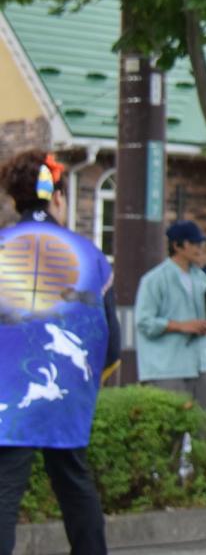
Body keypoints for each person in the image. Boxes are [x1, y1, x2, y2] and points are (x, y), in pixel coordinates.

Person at [0, 150, 118, 555]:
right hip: (64, 390)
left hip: (7, 393)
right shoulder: (90, 255)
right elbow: (112, 338)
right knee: (74, 484)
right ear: (57, 197)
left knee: (3, 492)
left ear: (15, 198)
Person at [134, 220, 206, 409]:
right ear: (177, 246)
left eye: (200, 243)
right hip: (166, 368)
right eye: (193, 243)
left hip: (201, 364)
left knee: (202, 426)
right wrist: (181, 325)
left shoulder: (201, 277)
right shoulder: (154, 280)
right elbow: (144, 322)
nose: (199, 248)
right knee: (172, 430)